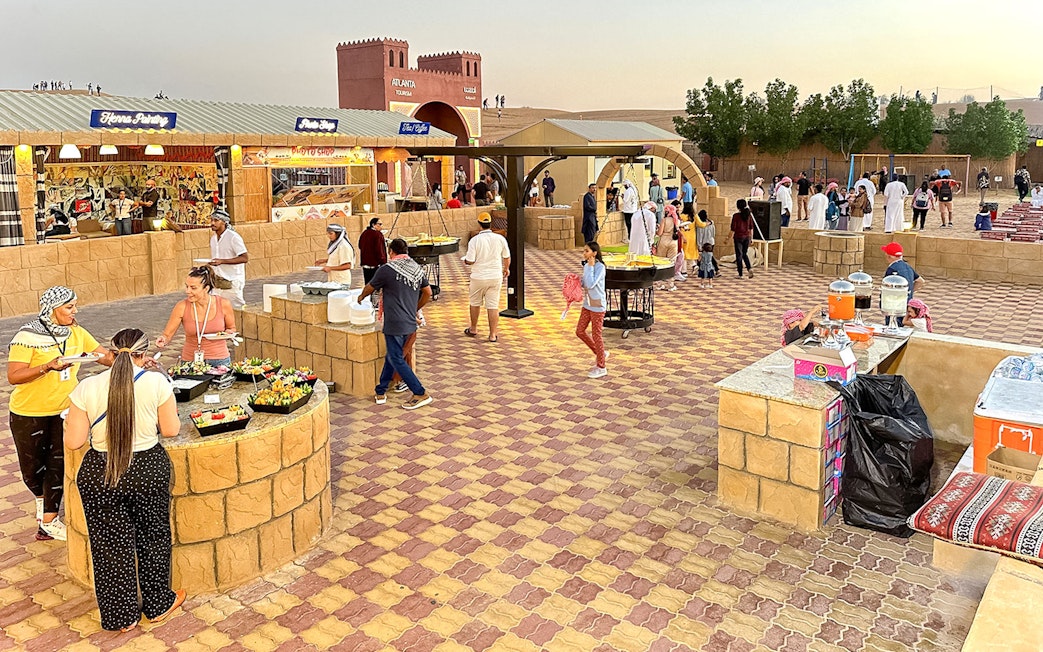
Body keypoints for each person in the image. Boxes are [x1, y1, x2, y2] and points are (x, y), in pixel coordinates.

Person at [64, 329, 186, 632]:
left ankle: (121, 617)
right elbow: (170, 430)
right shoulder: (156, 382)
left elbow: (74, 441)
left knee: (108, 545)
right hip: (146, 469)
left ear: (111, 352)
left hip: (100, 473)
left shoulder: (87, 387)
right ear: (142, 355)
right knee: (153, 537)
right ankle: (157, 604)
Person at [7, 286, 112, 541]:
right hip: (28, 413)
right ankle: (44, 506)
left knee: (58, 463)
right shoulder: (27, 336)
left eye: (74, 305)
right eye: (69, 307)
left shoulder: (77, 333)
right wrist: (47, 367)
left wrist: (133, 359)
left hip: (66, 410)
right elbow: (14, 376)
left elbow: (104, 356)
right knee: (32, 471)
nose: (75, 311)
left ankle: (50, 520)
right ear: (52, 309)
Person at [359, 239, 433, 409]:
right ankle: (381, 389)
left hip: (394, 322)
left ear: (391, 251)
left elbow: (370, 287)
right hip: (409, 322)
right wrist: (415, 308)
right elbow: (427, 292)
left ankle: (420, 392)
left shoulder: (387, 269)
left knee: (396, 358)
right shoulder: (416, 268)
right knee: (392, 356)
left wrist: (360, 297)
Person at [155, 266, 237, 367]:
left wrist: (227, 333)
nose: (187, 291)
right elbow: (167, 335)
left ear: (206, 288)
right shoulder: (181, 306)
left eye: (193, 288)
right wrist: (163, 339)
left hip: (219, 360)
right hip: (190, 361)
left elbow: (231, 328)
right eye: (187, 286)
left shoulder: (223, 304)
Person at [462, 212, 511, 342]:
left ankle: (473, 328)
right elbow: (506, 256)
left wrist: (466, 261)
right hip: (495, 276)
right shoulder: (500, 238)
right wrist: (506, 268)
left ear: (479, 224)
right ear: (490, 224)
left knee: (475, 303)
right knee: (493, 305)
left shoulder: (475, 240)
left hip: (478, 276)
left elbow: (470, 260)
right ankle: (493, 334)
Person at [575, 242, 608, 379]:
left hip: (598, 306)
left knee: (596, 335)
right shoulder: (588, 266)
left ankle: (601, 366)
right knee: (580, 331)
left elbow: (591, 283)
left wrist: (590, 267)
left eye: (587, 251)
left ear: (594, 253)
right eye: (584, 251)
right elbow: (585, 283)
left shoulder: (599, 267)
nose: (584, 253)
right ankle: (600, 352)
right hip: (587, 304)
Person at [207, 210, 248, 308]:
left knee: (236, 310)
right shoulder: (213, 239)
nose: (212, 223)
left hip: (232, 281)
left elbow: (244, 258)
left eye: (216, 220)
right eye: (211, 220)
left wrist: (222, 261)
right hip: (218, 282)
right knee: (216, 309)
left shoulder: (233, 237)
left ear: (224, 222)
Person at [881, 243, 924, 318]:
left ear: (889, 256)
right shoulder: (907, 266)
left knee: (892, 325)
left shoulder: (892, 269)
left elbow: (886, 288)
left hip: (893, 305)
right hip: (907, 304)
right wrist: (909, 292)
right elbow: (920, 281)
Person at [654, 206, 680, 291]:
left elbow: (660, 233)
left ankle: (659, 283)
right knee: (671, 263)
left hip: (663, 241)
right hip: (673, 242)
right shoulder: (677, 220)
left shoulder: (664, 220)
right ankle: (671, 284)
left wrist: (657, 230)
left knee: (660, 262)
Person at [358, 217, 388, 285]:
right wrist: (383, 262)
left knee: (368, 284)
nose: (381, 226)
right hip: (375, 266)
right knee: (376, 285)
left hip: (365, 265)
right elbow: (379, 250)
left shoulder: (364, 233)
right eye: (379, 224)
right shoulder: (378, 235)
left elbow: (360, 245)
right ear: (373, 225)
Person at [730, 199, 755, 279]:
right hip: (747, 237)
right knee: (744, 254)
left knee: (739, 255)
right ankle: (749, 268)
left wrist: (727, 238)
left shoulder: (736, 216)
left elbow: (733, 229)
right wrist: (752, 238)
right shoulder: (749, 215)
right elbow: (751, 228)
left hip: (738, 237)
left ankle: (740, 273)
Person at [694, 208, 718, 277]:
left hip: (704, 243)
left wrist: (699, 245)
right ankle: (713, 269)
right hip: (711, 242)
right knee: (709, 256)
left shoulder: (700, 225)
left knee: (704, 257)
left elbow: (699, 235)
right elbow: (713, 233)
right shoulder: (711, 223)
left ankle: (702, 270)